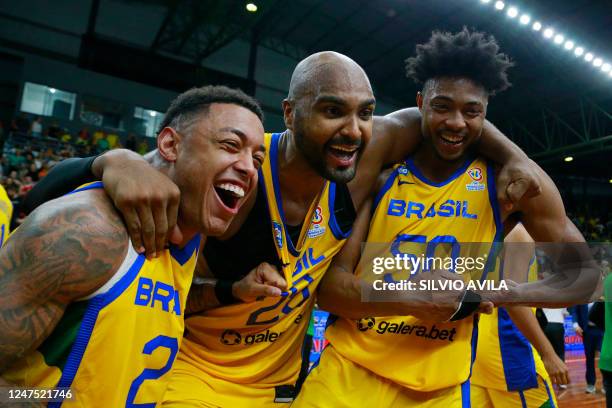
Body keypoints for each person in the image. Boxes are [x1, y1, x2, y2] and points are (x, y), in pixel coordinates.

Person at [23, 52, 541, 406]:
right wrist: (108, 161)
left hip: (279, 387)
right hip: (194, 377)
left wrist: (514, 155)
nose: (353, 128)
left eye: (364, 114)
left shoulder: (357, 166)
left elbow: (446, 115)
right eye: (332, 111)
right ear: (291, 114)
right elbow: (40, 200)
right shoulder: (239, 170)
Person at [292, 29, 593, 407]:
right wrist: (410, 298)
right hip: (348, 372)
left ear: (485, 115)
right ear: (421, 102)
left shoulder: (507, 184)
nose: (455, 122)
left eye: (471, 111)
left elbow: (583, 276)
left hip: (441, 389)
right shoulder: (383, 170)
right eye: (442, 106)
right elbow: (330, 291)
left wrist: (503, 293)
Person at [0, 86, 266, 407]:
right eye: (230, 145)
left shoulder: (191, 235)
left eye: (257, 158)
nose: (249, 167)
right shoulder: (86, 230)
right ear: (169, 144)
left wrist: (234, 291)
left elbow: (155, 308)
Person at [471, 223, 568, 407]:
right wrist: (548, 353)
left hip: (478, 353)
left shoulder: (482, 229)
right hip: (509, 354)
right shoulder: (518, 234)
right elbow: (513, 302)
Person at [571, 302, 604, 393]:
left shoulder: (603, 293)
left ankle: (606, 384)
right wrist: (575, 324)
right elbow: (574, 310)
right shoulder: (582, 294)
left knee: (605, 357)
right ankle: (590, 384)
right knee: (589, 358)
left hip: (602, 330)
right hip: (587, 331)